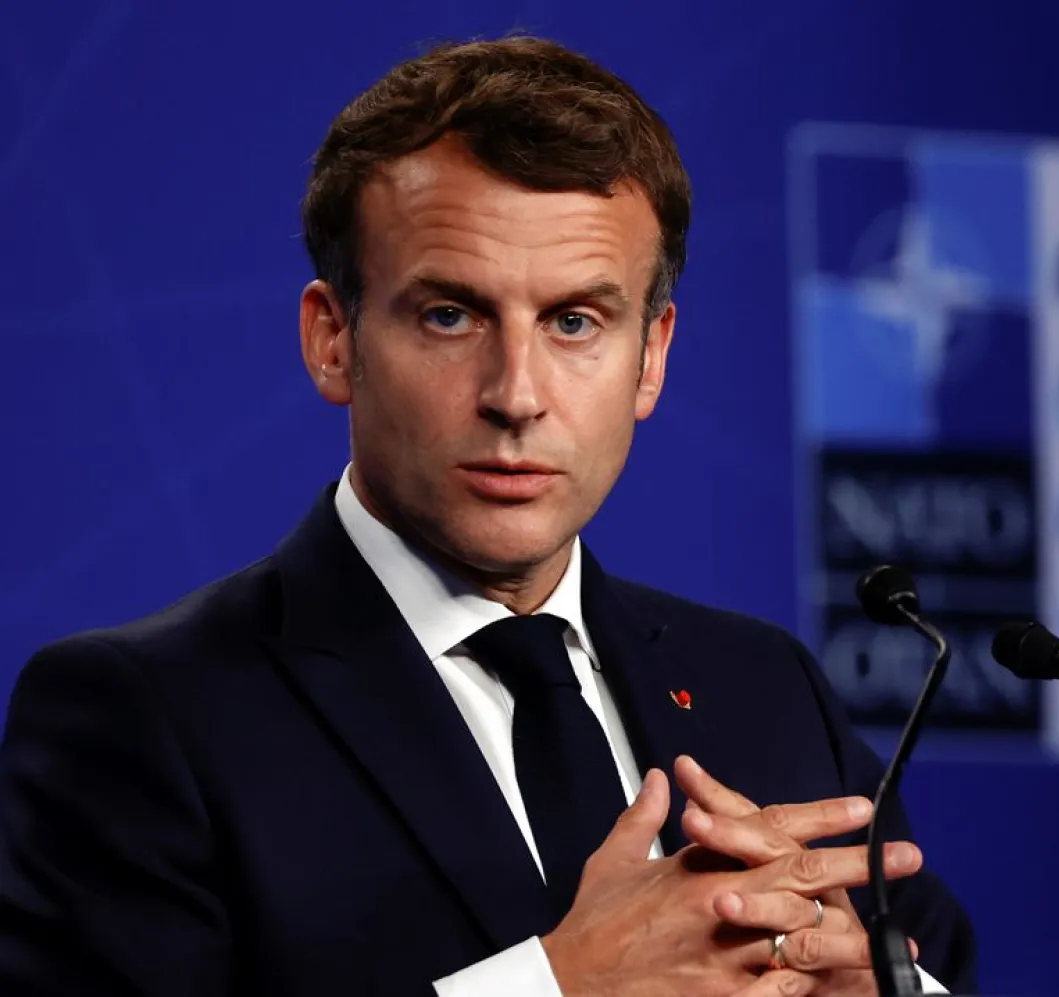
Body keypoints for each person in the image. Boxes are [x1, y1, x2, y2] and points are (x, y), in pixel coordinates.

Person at [0, 34, 977, 997]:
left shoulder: (766, 688)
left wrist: (869, 988)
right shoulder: (144, 716)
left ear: (651, 357)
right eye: (451, 315)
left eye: (575, 321)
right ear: (333, 340)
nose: (517, 393)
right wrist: (559, 987)